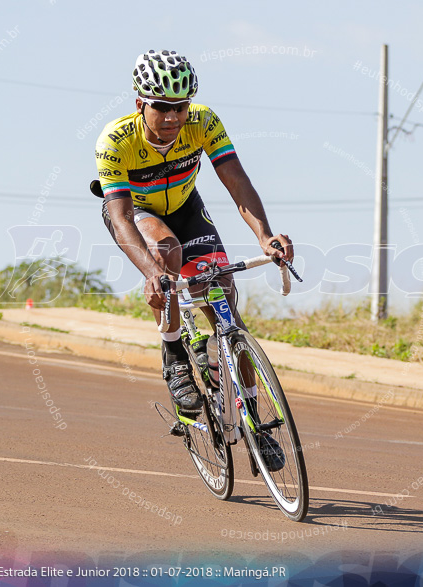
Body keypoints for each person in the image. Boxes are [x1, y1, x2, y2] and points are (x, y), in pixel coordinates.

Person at [92, 50, 291, 470]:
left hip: (186, 206)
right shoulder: (116, 141)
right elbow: (122, 217)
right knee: (166, 254)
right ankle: (173, 354)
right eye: (162, 107)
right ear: (140, 105)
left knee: (224, 306)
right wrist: (151, 273)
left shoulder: (203, 121)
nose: (173, 117)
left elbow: (236, 181)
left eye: (180, 107)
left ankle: (254, 420)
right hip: (137, 214)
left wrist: (266, 236)